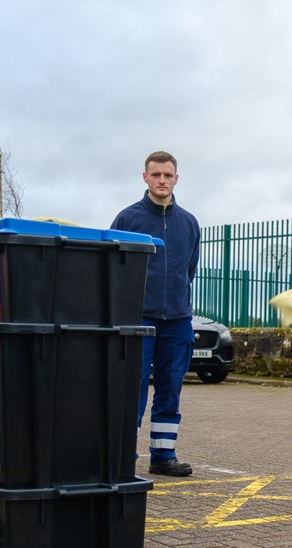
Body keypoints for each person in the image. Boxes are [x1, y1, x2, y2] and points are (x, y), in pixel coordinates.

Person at [111, 152, 201, 477]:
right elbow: (114, 269)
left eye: (168, 175)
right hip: (138, 318)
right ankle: (122, 454)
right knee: (130, 386)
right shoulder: (127, 220)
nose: (162, 180)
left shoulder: (190, 224)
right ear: (145, 178)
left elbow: (188, 271)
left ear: (177, 178)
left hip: (177, 320)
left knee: (170, 387)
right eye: (156, 175)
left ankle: (163, 455)